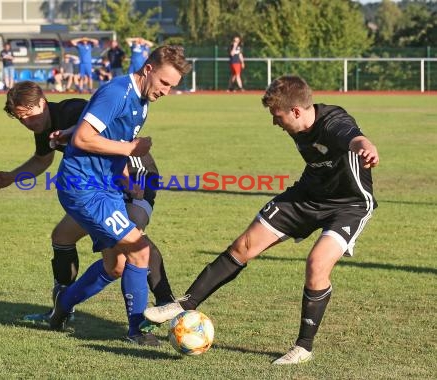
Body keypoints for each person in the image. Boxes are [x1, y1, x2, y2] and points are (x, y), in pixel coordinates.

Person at [144, 75, 379, 363]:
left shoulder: (333, 122)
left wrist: (364, 145)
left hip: (349, 205)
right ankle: (185, 303)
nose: (274, 122)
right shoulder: (297, 122)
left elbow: (351, 135)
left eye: (276, 115)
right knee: (244, 245)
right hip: (306, 196)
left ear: (295, 111)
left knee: (317, 263)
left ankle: (303, 347)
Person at [0, 80, 175, 330]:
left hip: (134, 171)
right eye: (21, 119)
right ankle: (62, 309)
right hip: (99, 184)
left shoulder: (72, 111)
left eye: (29, 116)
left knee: (133, 239)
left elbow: (113, 135)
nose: (28, 123)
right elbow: (42, 160)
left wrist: (127, 182)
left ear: (43, 102)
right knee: (63, 237)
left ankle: (166, 302)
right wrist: (13, 176)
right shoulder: (44, 126)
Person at [48, 46, 191, 345]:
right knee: (139, 250)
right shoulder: (118, 91)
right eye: (164, 82)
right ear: (148, 69)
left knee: (116, 266)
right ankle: (137, 330)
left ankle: (64, 303)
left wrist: (124, 177)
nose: (166, 90)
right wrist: (130, 150)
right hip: (83, 187)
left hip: (105, 186)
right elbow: (84, 138)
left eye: (172, 87)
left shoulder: (142, 101)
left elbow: (105, 131)